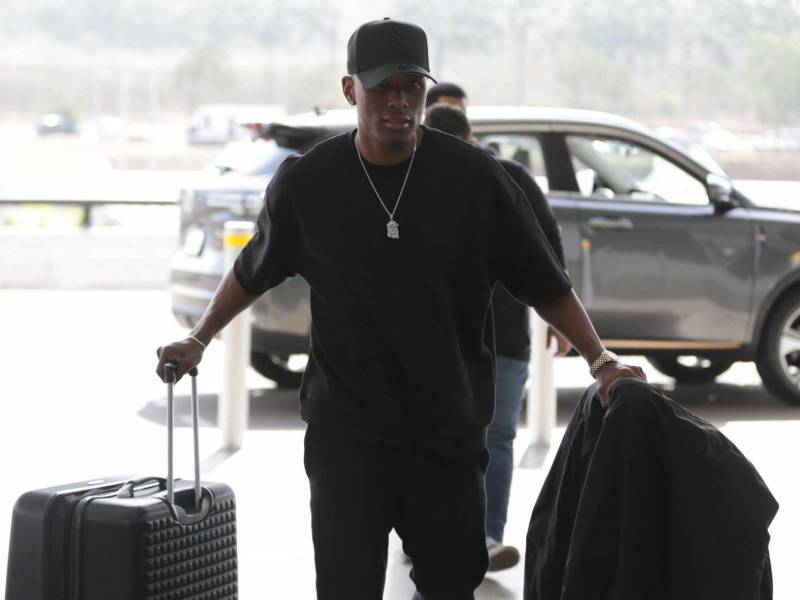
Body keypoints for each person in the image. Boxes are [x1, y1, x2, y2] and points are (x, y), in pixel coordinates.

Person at [156, 17, 646, 600]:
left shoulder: (476, 180)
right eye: (383, 86)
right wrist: (200, 339)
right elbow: (251, 270)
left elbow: (544, 281)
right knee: (347, 587)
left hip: (448, 437)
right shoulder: (308, 183)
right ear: (350, 90)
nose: (399, 101)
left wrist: (601, 359)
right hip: (347, 438)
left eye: (411, 85)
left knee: (450, 584)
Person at [423, 101, 570, 571]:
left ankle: (459, 535)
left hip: (467, 337)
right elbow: (551, 249)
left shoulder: (423, 176)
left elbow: (547, 249)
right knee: (493, 436)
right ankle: (473, 535)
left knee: (466, 435)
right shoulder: (508, 176)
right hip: (492, 336)